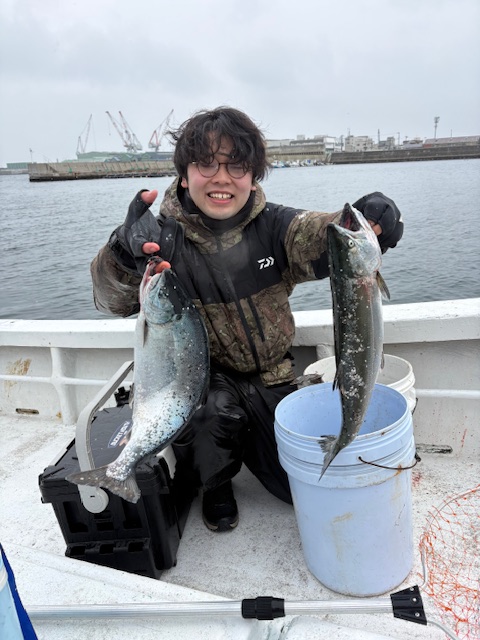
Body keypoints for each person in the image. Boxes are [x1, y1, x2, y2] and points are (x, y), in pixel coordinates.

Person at [91, 106, 403, 532]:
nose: (221, 178)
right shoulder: (158, 241)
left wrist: (369, 219)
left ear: (253, 177)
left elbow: (327, 233)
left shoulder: (277, 227)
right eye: (206, 164)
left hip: (273, 378)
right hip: (204, 382)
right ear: (184, 175)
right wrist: (121, 256)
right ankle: (215, 484)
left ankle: (257, 448)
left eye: (236, 166)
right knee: (208, 416)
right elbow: (111, 299)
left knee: (299, 489)